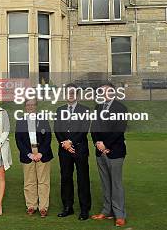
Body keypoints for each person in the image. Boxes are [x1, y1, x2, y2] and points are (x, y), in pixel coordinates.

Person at [90, 82, 128, 227]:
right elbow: (94, 127)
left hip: (115, 152)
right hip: (100, 151)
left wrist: (106, 145)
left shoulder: (120, 108)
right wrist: (97, 143)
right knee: (105, 183)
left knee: (116, 184)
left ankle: (119, 215)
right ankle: (107, 211)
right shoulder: (98, 107)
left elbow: (119, 131)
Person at [54, 83, 92, 220]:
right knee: (65, 178)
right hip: (64, 150)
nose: (70, 95)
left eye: (73, 93)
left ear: (77, 95)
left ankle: (84, 209)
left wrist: (71, 142)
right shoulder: (59, 110)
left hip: (80, 149)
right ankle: (67, 207)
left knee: (82, 179)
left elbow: (84, 129)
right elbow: (57, 129)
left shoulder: (85, 110)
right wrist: (65, 144)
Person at [14, 99, 53, 217]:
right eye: (28, 105)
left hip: (43, 153)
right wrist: (29, 154)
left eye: (32, 104)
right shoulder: (20, 121)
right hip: (28, 153)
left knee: (43, 181)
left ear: (36, 106)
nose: (30, 107)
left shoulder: (43, 119)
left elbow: (48, 137)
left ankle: (43, 207)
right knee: (29, 181)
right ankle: (31, 206)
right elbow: (19, 140)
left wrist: (40, 153)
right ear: (25, 107)